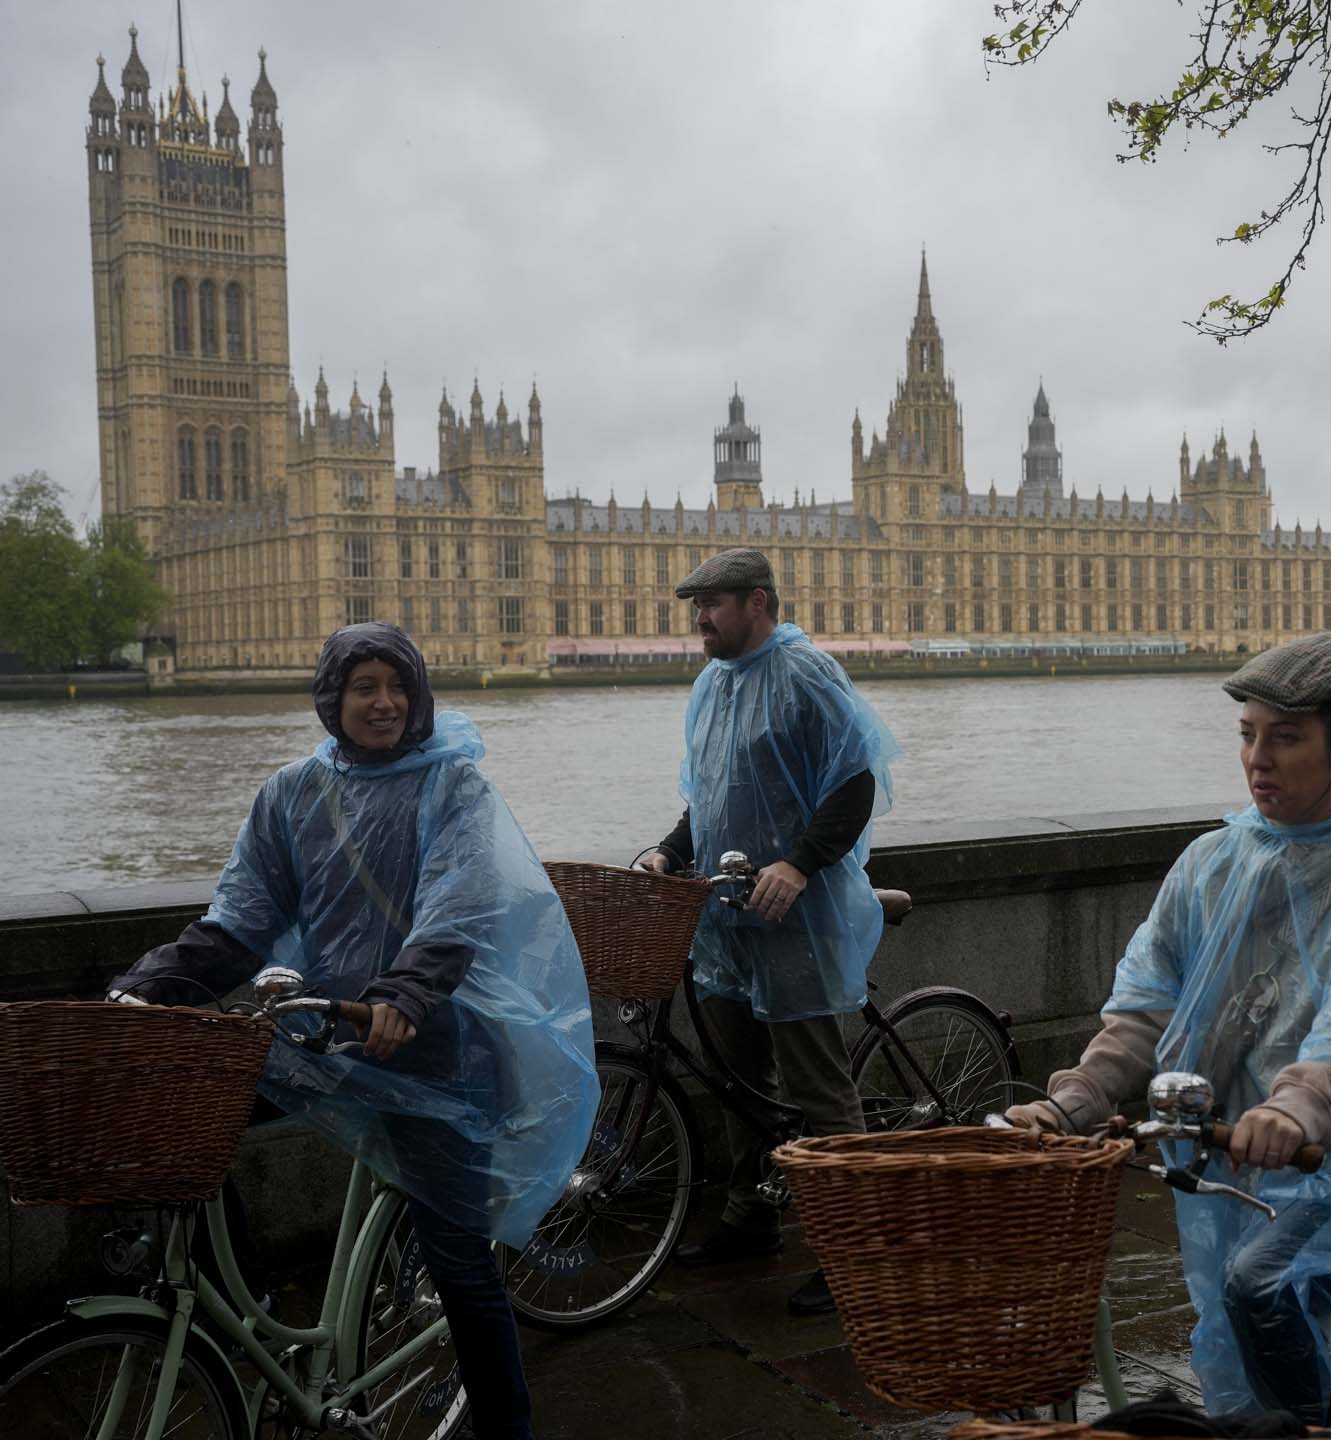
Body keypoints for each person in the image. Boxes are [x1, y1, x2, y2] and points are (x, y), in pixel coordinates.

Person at [1004, 632, 1331, 1422]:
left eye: (1285, 738)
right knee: (1243, 1347)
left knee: (1255, 1285)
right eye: (1248, 735)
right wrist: (1076, 1100)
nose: (1258, 757)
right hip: (1242, 1159)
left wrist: (1295, 1110)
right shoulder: (1209, 868)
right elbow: (1150, 1007)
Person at [113, 623, 600, 1440]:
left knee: (458, 1264)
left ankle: (506, 1425)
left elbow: (461, 904)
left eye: (397, 686)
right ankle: (253, 1304)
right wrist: (148, 987)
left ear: (418, 697)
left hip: (438, 1041)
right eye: (363, 687)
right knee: (188, 1120)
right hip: (329, 1031)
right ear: (331, 698)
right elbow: (240, 920)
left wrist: (407, 994)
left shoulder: (455, 788)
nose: (383, 703)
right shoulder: (290, 791)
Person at [637, 547, 898, 1315]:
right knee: (738, 1081)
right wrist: (670, 849)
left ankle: (854, 1254)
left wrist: (801, 864)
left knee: (820, 1088)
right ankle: (752, 1219)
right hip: (725, 916)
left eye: (711, 604)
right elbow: (711, 794)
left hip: (795, 914)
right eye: (695, 606)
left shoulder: (806, 674)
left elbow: (857, 781)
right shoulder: (711, 685)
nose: (699, 619)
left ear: (756, 602)